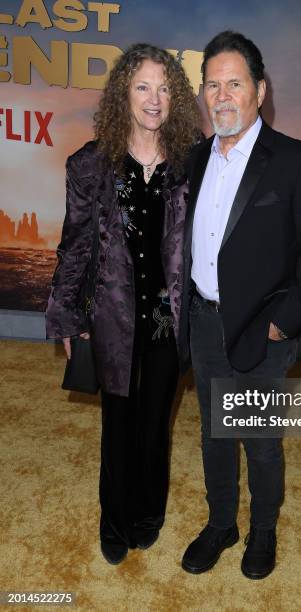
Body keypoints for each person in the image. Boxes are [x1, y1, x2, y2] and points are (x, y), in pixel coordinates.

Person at [178, 31, 301, 579]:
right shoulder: (193, 159)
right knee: (213, 433)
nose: (222, 95)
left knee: (259, 441)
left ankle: (263, 531)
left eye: (235, 83)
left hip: (262, 329)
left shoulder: (297, 161)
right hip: (202, 320)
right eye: (213, 85)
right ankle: (221, 523)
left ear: (260, 90)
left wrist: (283, 325)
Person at [46, 43, 201, 565]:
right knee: (118, 423)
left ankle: (148, 514)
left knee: (156, 423)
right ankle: (113, 519)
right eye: (143, 86)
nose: (154, 98)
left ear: (176, 97)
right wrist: (67, 314)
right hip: (109, 317)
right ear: (123, 94)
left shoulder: (191, 164)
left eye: (164, 87)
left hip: (167, 319)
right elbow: (75, 246)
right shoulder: (91, 165)